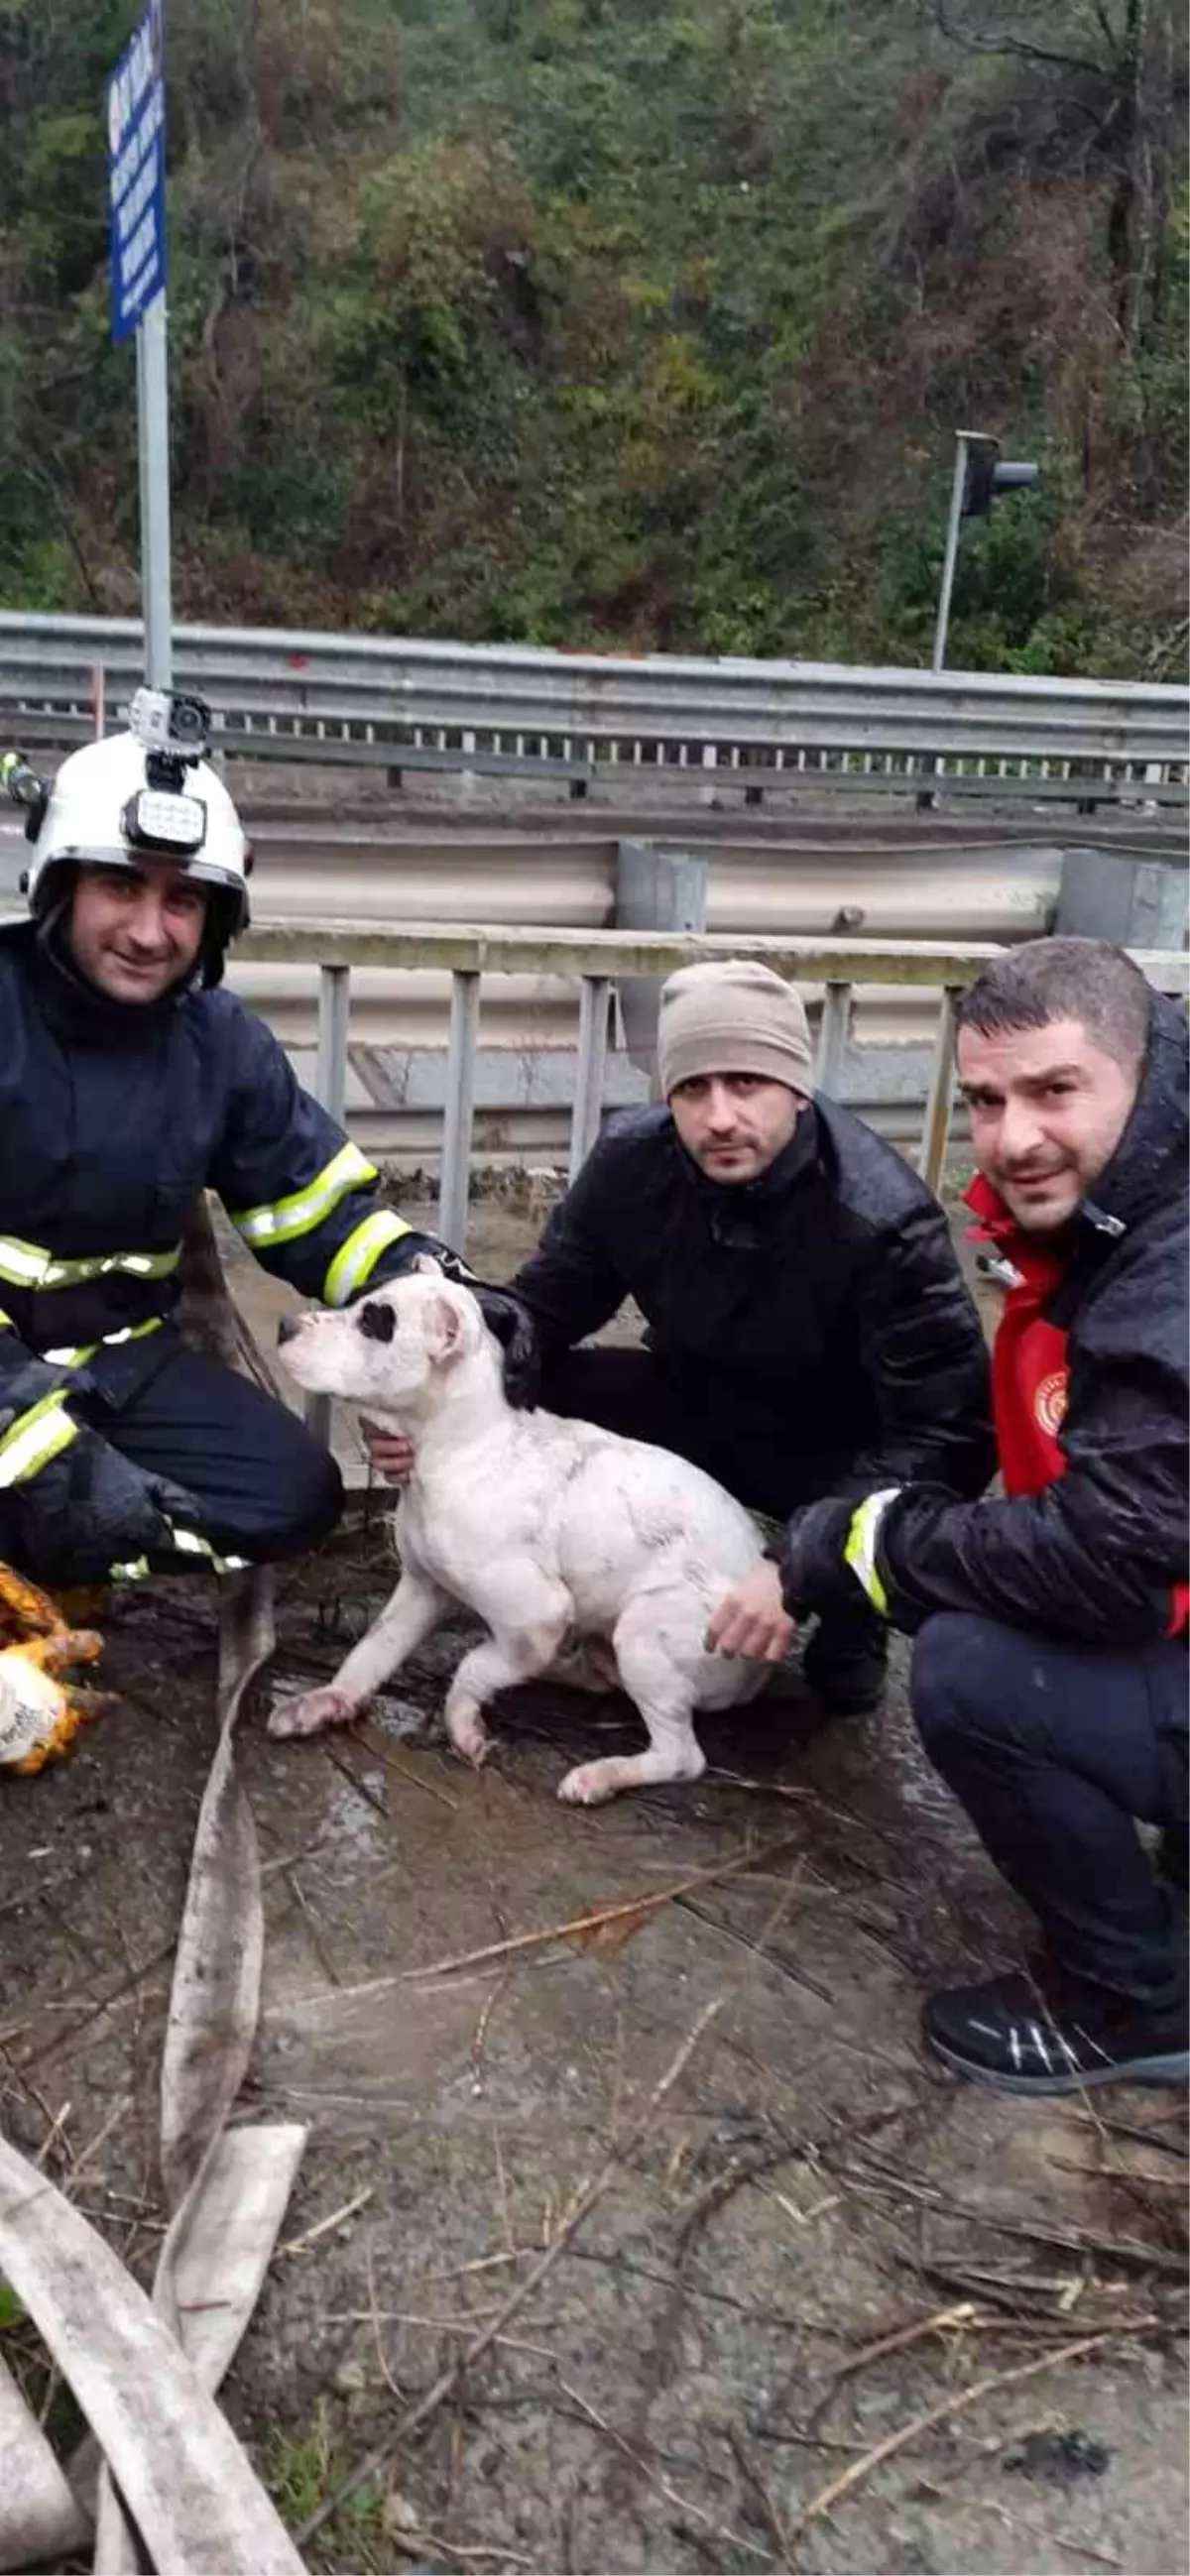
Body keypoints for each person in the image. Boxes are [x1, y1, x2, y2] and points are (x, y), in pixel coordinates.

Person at [0, 707, 533, 1598]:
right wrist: (28, 1435)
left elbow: (318, 1214)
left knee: (292, 1495)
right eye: (122, 887)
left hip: (116, 1363)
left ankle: (67, 1537)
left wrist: (441, 1284)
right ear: (60, 887)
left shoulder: (220, 1046)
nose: (150, 930)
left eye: (183, 900)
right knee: (46, 1473)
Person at [782, 935, 1190, 2095]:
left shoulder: (1169, 1273)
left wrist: (861, 1544)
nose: (1013, 1138)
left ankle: (1136, 2002)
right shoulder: (1130, 1212)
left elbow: (1109, 1555)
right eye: (987, 1100)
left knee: (977, 1669)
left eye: (1057, 1090)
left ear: (1141, 1072)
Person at [371, 957, 993, 1712]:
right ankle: (566, 1574)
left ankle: (849, 1610)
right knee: (534, 1382)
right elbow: (540, 1311)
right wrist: (435, 1414)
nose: (720, 1116)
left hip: (830, 1447)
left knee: (837, 1687)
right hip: (692, 1397)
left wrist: (804, 1559)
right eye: (693, 1089)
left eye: (747, 1083)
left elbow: (947, 1434)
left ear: (798, 1087)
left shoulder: (884, 1220)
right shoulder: (633, 1164)